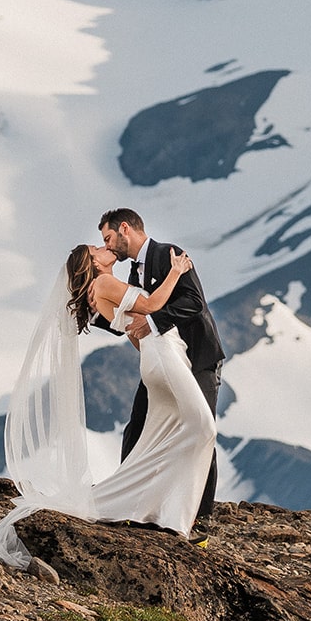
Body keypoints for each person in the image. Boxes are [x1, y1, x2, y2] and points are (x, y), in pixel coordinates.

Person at [0, 239, 216, 569]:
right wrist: (176, 272)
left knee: (160, 438)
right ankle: (171, 513)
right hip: (163, 355)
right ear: (94, 262)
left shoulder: (97, 292)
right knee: (202, 427)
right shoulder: (104, 282)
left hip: (158, 357)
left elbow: (132, 333)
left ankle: (161, 512)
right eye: (98, 247)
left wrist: (155, 354)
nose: (103, 246)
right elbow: (153, 305)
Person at [98, 207, 224, 520]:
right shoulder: (132, 274)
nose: (108, 245)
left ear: (125, 228)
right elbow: (128, 319)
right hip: (163, 360)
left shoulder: (171, 254)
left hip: (198, 359)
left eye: (109, 238)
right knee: (138, 424)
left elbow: (194, 303)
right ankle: (127, 499)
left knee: (200, 427)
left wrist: (152, 322)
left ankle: (201, 517)